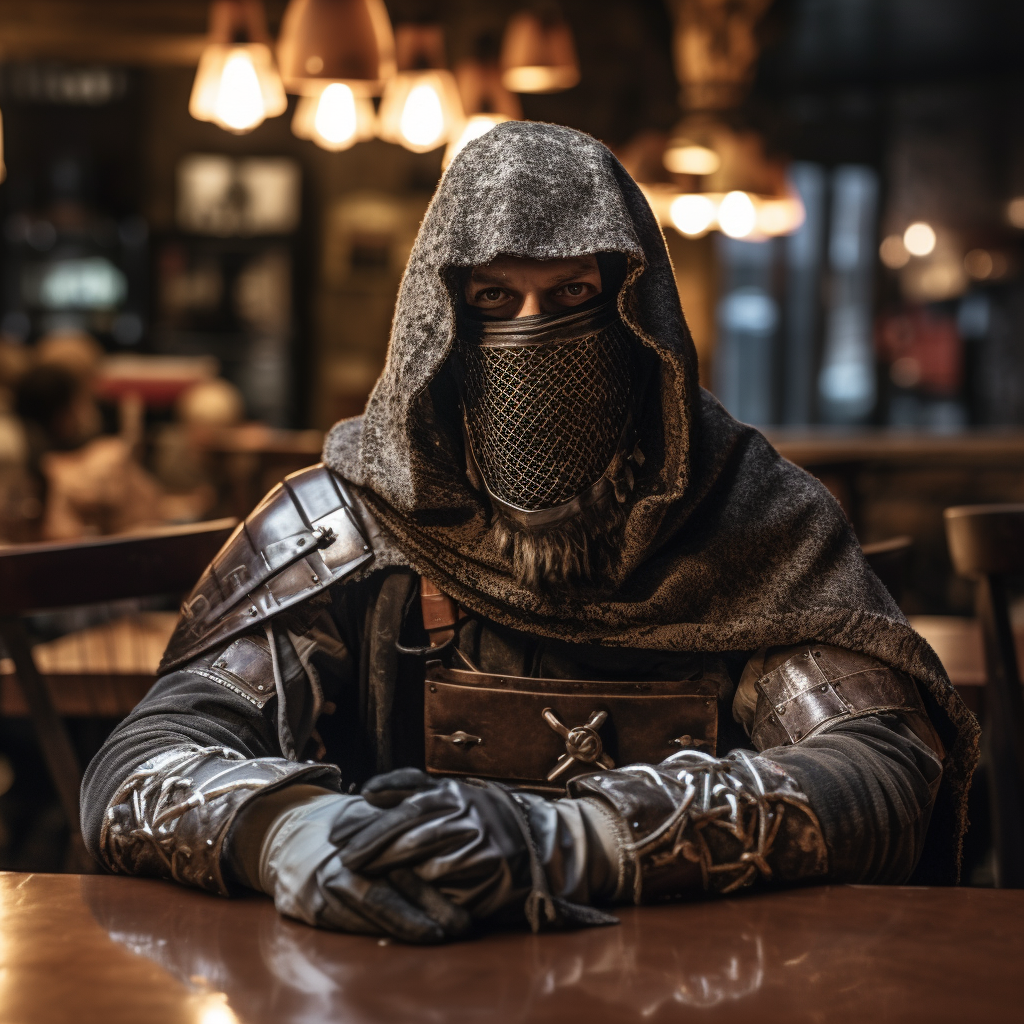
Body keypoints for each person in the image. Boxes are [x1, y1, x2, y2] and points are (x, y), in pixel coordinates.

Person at [82, 122, 978, 945]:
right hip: (405, 981)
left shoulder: (742, 519)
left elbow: (880, 769)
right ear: (441, 323)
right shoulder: (352, 520)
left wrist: (583, 839)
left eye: (575, 293)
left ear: (641, 315)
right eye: (493, 296)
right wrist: (286, 832)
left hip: (689, 983)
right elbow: (145, 761)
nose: (532, 329)